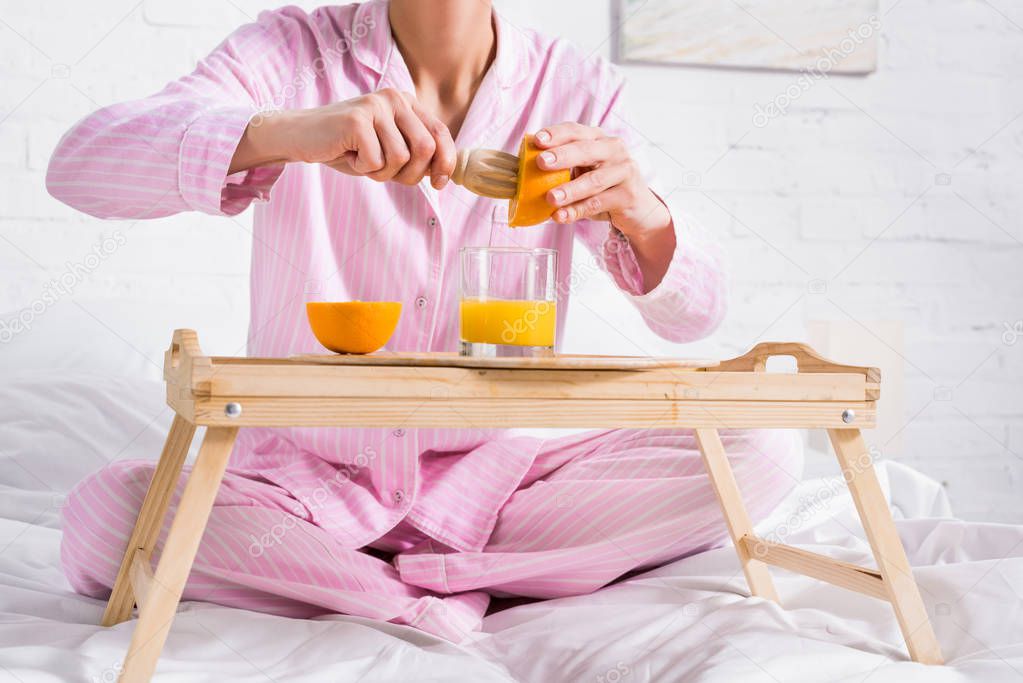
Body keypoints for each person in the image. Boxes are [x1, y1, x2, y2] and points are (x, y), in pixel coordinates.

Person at [48, 0, 803, 641]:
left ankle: (394, 581)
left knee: (764, 445)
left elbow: (693, 315)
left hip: (496, 492)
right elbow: (80, 165)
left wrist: (641, 211)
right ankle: (421, 604)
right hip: (294, 495)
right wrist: (282, 131)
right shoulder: (293, 49)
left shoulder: (577, 88)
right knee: (106, 516)